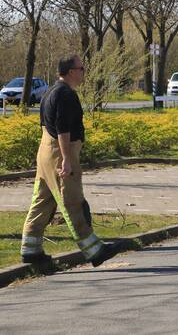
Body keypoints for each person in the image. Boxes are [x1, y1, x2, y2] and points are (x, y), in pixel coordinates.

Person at [20, 54, 122, 268]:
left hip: (45, 153)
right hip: (61, 154)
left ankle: (30, 250)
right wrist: (67, 159)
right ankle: (95, 250)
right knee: (73, 201)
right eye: (81, 68)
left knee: (42, 201)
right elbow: (62, 129)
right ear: (71, 71)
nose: (84, 71)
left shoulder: (50, 92)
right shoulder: (65, 94)